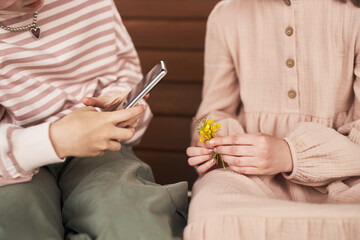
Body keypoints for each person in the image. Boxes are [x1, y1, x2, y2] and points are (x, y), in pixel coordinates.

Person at [0, 0, 188, 239]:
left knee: (134, 219)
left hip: (99, 150)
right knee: (15, 221)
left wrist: (119, 113)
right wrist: (54, 140)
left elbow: (123, 75)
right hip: (11, 163)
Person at [185, 0, 360, 239]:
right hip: (250, 179)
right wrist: (211, 140)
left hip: (348, 178)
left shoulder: (354, 14)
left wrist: (289, 154)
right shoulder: (226, 14)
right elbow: (210, 114)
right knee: (210, 208)